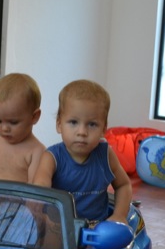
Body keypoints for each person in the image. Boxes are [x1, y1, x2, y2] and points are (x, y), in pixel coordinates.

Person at [33, 80, 132, 224]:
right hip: (60, 229)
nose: (82, 132)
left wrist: (119, 215)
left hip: (97, 229)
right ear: (59, 124)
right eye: (73, 122)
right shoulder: (51, 157)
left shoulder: (105, 155)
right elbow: (40, 187)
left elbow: (123, 185)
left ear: (103, 129)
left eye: (92, 124)